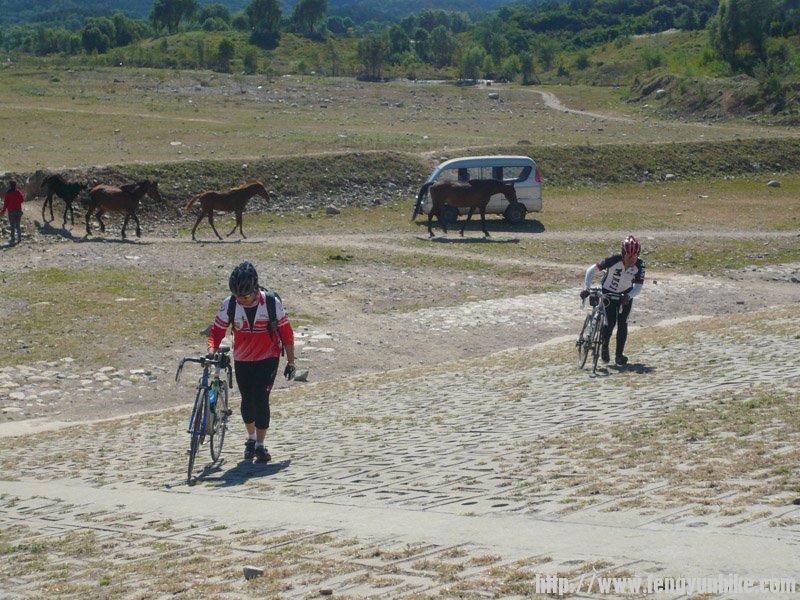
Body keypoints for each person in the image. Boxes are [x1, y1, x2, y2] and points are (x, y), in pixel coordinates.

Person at [207, 261, 296, 463]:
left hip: (268, 357)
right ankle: (250, 438)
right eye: (238, 296)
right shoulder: (230, 304)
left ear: (256, 289)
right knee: (247, 401)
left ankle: (260, 445)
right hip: (243, 358)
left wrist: (291, 362)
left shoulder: (272, 303)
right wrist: (211, 349)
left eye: (246, 296)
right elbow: (217, 331)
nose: (242, 300)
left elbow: (287, 334)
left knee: (261, 400)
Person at [579, 235, 645, 366]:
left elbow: (638, 287)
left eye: (634, 256)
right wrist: (586, 288)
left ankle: (619, 355)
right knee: (610, 323)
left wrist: (628, 296)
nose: (631, 259)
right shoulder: (614, 259)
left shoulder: (640, 265)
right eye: (628, 256)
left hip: (626, 295)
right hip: (608, 292)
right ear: (623, 253)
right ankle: (604, 347)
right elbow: (591, 270)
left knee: (623, 323)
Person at [2, 181, 25, 245]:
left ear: (10, 185)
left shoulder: (8, 193)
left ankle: (12, 239)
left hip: (11, 211)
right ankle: (19, 239)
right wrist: (17, 202)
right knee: (18, 225)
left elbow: (5, 204)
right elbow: (22, 200)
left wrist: (3, 211)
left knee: (12, 226)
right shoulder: (18, 192)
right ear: (15, 185)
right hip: (18, 211)